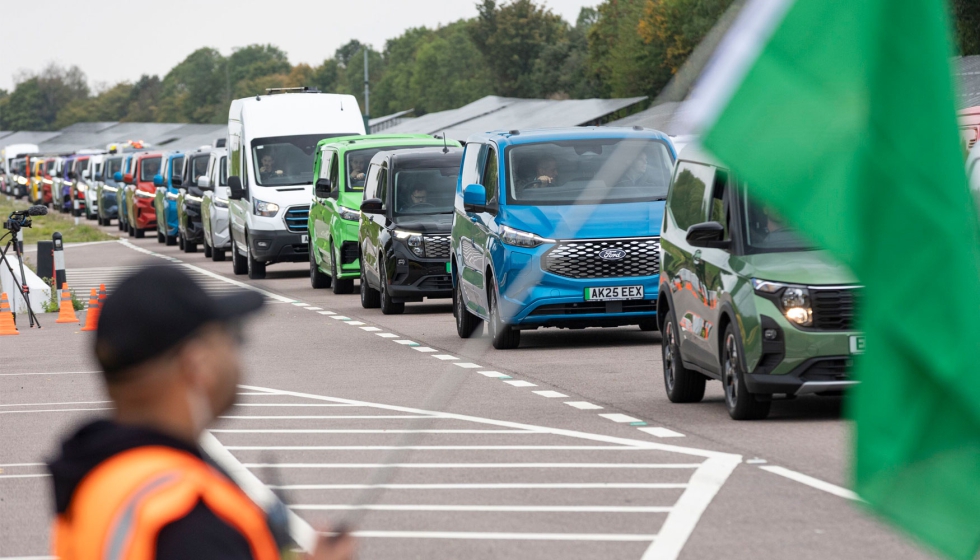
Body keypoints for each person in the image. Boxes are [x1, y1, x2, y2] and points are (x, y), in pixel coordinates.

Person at [47, 266, 355, 560]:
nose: (238, 353)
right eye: (233, 338)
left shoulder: (99, 477)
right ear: (196, 365)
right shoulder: (190, 518)